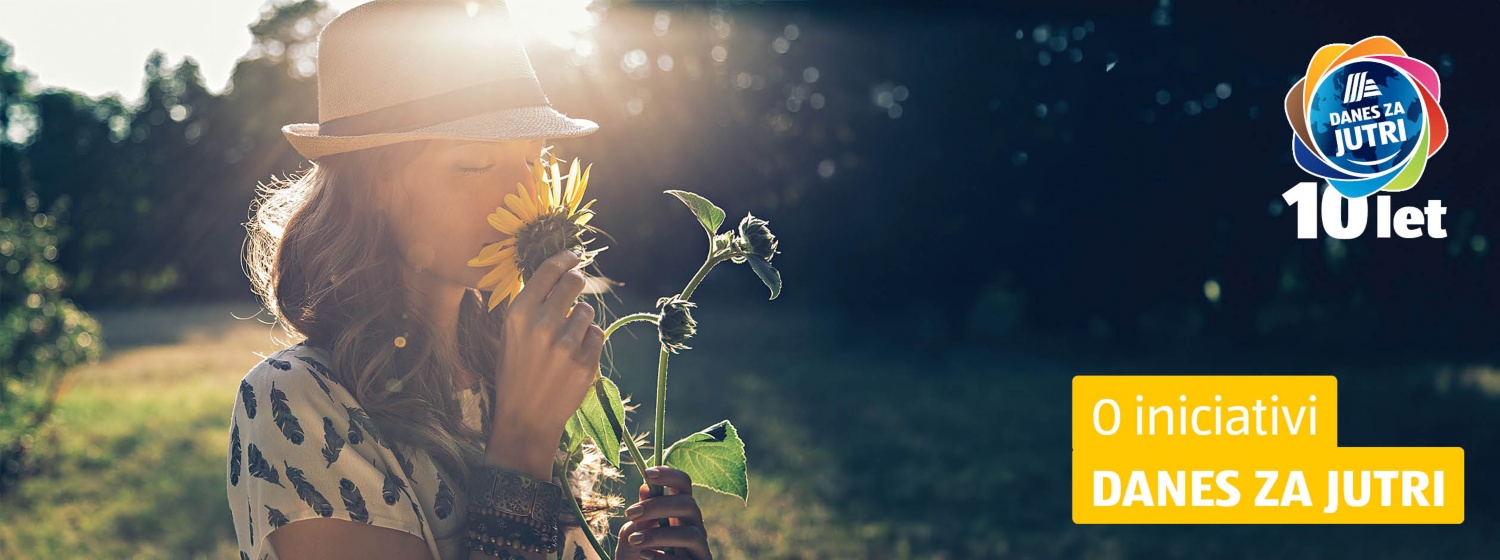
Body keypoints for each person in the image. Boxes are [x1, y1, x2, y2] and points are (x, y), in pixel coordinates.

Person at [226, 2, 713, 559]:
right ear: (373, 188)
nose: (522, 196)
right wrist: (525, 441)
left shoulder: (501, 369)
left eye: (534, 160)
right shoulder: (298, 401)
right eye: (475, 165)